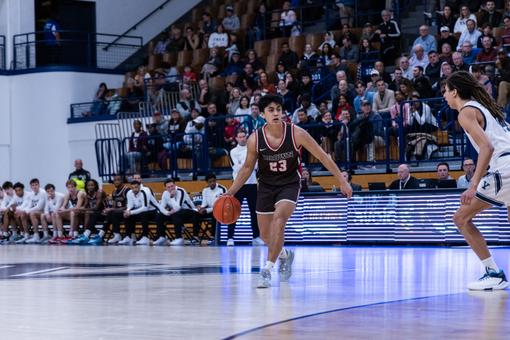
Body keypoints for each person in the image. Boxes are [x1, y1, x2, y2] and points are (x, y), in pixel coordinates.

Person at [225, 95, 352, 288]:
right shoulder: (255, 139)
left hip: (289, 184)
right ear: (263, 114)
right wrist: (230, 192)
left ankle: (266, 270)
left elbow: (322, 156)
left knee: (279, 220)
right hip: (266, 186)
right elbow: (246, 169)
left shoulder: (297, 133)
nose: (276, 113)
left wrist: (342, 181)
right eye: (270, 110)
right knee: (266, 236)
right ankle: (284, 255)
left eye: (278, 109)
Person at [443, 70, 510, 290]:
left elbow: (487, 147)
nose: (444, 96)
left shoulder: (465, 112)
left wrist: (473, 185)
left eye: (446, 91)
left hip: (504, 168)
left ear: (455, 91)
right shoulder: (485, 109)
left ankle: (494, 273)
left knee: (461, 218)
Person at [227, 130, 263, 246]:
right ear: (236, 139)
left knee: (254, 212)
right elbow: (236, 169)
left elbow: (255, 166)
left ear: (246, 137)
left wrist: (246, 164)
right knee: (234, 212)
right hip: (238, 185)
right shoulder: (233, 151)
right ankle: (230, 237)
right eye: (240, 137)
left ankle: (256, 237)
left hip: (252, 184)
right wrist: (248, 164)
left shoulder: (252, 149)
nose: (242, 138)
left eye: (244, 136)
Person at [50, 179, 87, 244]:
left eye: (72, 187)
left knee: (72, 212)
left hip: (84, 214)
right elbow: (63, 206)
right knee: (57, 214)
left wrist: (65, 210)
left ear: (75, 187)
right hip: (75, 214)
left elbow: (77, 208)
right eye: (68, 187)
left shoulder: (80, 193)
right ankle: (60, 235)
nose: (70, 189)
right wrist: (60, 209)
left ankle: (71, 234)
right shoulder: (67, 194)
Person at [21, 178, 48, 244]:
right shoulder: (31, 194)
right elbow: (29, 205)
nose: (34, 186)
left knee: (32, 213)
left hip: (43, 212)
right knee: (22, 215)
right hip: (35, 211)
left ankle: (36, 236)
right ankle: (27, 235)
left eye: (36, 184)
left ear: (39, 185)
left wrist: (27, 211)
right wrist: (25, 211)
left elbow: (39, 207)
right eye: (33, 185)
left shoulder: (43, 192)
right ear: (31, 187)